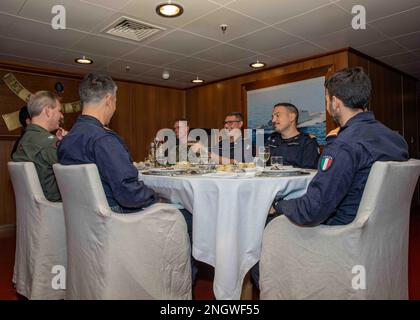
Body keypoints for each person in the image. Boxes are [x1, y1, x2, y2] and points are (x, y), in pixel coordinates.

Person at [251, 66, 409, 288]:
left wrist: (277, 205)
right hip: (380, 236)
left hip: (341, 234)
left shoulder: (343, 145)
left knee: (263, 227)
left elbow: (312, 210)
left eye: (327, 99)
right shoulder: (396, 140)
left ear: (335, 102)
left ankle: (277, 288)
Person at [58, 73, 157, 213]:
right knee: (186, 215)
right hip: (114, 218)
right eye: (116, 101)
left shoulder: (66, 140)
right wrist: (157, 197)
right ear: (109, 100)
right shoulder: (104, 140)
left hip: (81, 218)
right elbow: (129, 194)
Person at [12, 91, 67, 202]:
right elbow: (74, 172)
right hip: (57, 209)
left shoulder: (23, 140)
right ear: (47, 111)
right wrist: (67, 143)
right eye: (59, 111)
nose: (61, 115)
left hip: (34, 209)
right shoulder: (49, 144)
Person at [266, 102, 320, 169]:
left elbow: (309, 173)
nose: (273, 120)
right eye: (272, 117)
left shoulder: (307, 143)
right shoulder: (271, 140)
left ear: (291, 117)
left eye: (277, 115)